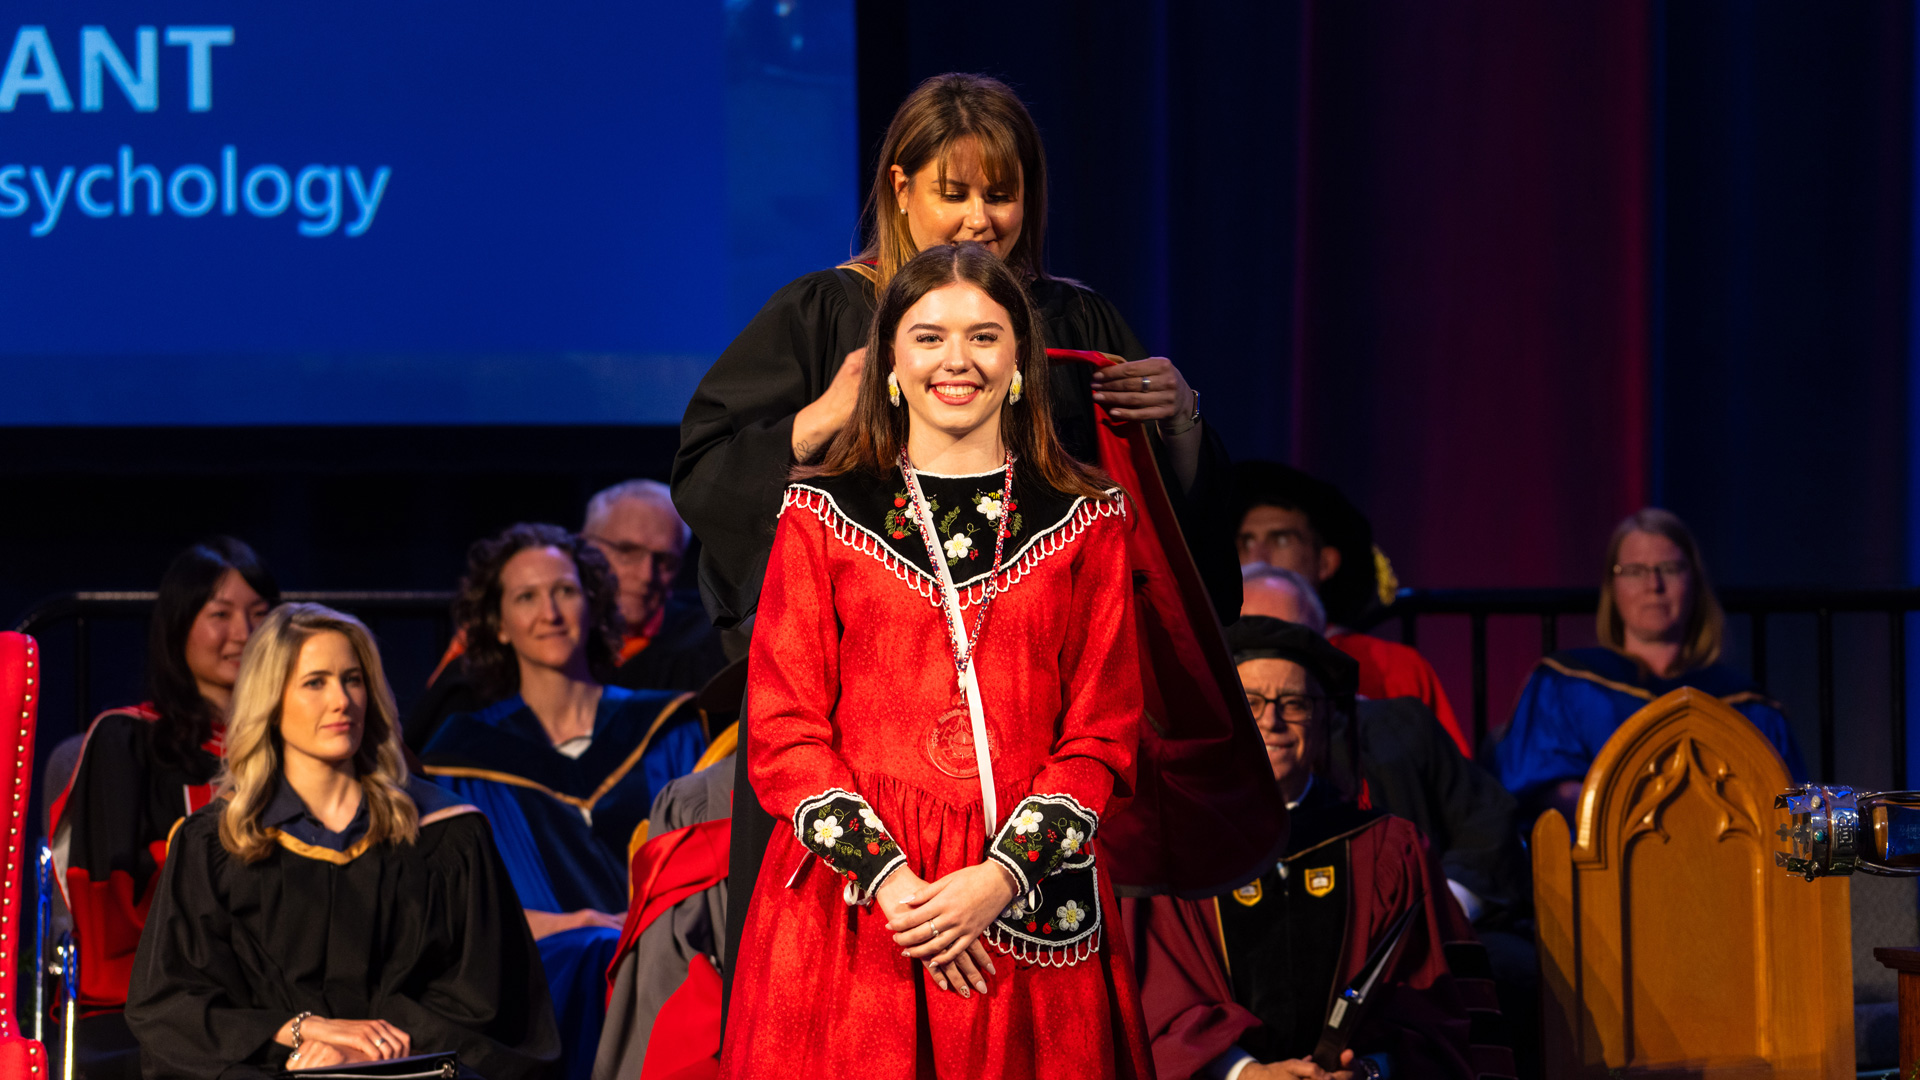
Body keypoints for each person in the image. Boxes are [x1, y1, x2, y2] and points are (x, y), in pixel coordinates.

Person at [675, 72, 1245, 1016]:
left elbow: (1158, 541)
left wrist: (1180, 422)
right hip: (859, 760)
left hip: (1026, 759)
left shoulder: (1072, 324)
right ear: (901, 189)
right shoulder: (824, 315)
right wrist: (819, 418)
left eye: (1002, 192)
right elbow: (709, 481)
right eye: (955, 191)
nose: (981, 219)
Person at [720, 242, 1152, 1076]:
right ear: (889, 361)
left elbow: (1103, 732)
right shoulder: (819, 511)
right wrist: (893, 884)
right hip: (861, 905)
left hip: (1024, 889)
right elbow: (782, 726)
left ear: (1020, 357)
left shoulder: (1088, 518)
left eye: (984, 336)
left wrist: (999, 880)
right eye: (928, 336)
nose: (957, 360)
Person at [125, 603, 559, 1079]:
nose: (342, 701)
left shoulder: (445, 835)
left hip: (412, 1071)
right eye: (315, 683)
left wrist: (365, 1049)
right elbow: (171, 1006)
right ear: (271, 700)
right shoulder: (215, 844)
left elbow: (487, 999)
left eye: (352, 680)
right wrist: (300, 1032)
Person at [1127, 618, 1513, 1080]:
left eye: (1294, 704)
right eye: (1251, 702)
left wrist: (1371, 1070)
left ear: (1323, 718)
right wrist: (1245, 1073)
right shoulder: (1174, 852)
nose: (1272, 721)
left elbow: (1435, 1014)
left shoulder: (1386, 848)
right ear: (1223, 717)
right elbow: (1158, 1004)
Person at [419, 524, 708, 1080]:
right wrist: (574, 924)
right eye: (526, 597)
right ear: (498, 625)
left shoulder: (669, 726)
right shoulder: (460, 755)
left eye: (565, 591)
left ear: (592, 606)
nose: (549, 611)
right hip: (536, 962)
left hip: (665, 949)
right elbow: (460, 907)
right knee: (592, 951)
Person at [47, 537, 278, 1080]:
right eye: (219, 614)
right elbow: (108, 910)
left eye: (260, 615)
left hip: (277, 1000)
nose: (243, 634)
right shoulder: (126, 740)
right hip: (152, 1002)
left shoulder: (296, 748)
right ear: (178, 628)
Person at [1491, 507, 1808, 825]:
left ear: (1694, 582)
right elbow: (1542, 792)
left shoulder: (1749, 707)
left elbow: (1792, 815)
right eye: (1634, 571)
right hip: (1596, 863)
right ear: (1612, 588)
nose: (1653, 584)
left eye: (1669, 569)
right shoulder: (1566, 684)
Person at [405, 480, 726, 751]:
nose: (646, 575)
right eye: (627, 552)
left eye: (665, 561)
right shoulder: (496, 653)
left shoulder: (705, 648)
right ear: (585, 548)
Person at [1234, 461, 1471, 758]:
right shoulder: (1208, 660)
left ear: (1325, 563)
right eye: (1245, 542)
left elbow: (1446, 780)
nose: (1258, 557)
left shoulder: (1393, 667)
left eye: (1280, 539)